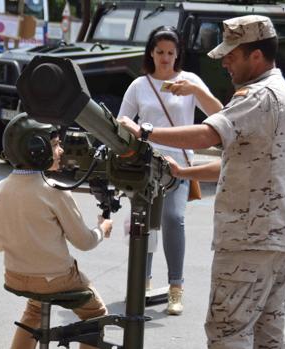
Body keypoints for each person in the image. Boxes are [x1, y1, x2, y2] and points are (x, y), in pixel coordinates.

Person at [119, 15, 285, 348]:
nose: (226, 64)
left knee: (228, 334)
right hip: (277, 241)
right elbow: (242, 160)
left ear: (256, 55)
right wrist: (185, 172)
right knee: (268, 337)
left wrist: (145, 131)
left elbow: (208, 134)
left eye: (232, 56)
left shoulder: (257, 96)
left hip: (249, 241)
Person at [118, 25, 223, 315]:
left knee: (174, 219)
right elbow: (122, 121)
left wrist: (196, 90)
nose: (165, 58)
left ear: (178, 55)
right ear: (151, 53)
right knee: (144, 224)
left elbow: (220, 115)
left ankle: (176, 288)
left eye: (171, 53)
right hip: (145, 164)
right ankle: (142, 284)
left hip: (179, 165)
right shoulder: (139, 85)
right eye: (160, 52)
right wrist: (128, 133)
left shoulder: (189, 81)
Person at [0, 114, 112, 349]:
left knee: (34, 309)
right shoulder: (55, 191)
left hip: (15, 275)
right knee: (96, 315)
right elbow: (84, 242)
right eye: (55, 144)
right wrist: (102, 229)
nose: (61, 150)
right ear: (36, 149)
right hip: (56, 280)